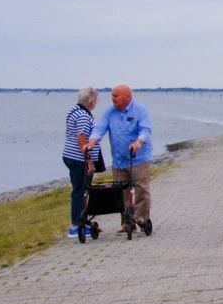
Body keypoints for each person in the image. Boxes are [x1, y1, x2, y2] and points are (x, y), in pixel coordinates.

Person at [89, 85, 154, 235]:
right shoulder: (110, 112)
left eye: (116, 95)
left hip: (138, 159)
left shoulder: (140, 110)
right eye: (112, 95)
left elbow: (145, 130)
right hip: (118, 160)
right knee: (121, 192)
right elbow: (99, 129)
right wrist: (91, 143)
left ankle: (141, 219)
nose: (113, 98)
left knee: (141, 189)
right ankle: (127, 222)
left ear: (127, 97)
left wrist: (138, 143)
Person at [62, 88, 100, 237]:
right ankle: (77, 225)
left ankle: (81, 222)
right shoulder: (84, 116)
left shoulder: (74, 111)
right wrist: (89, 162)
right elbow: (81, 140)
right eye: (96, 100)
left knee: (80, 189)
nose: (96, 102)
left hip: (71, 155)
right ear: (92, 102)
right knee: (80, 190)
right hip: (79, 159)